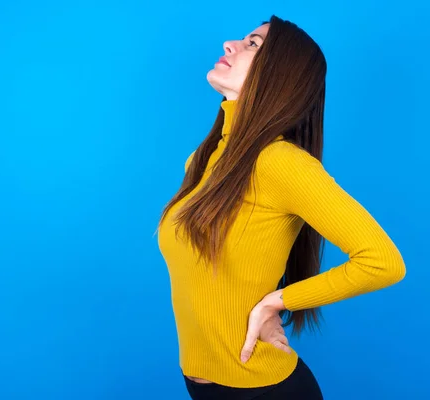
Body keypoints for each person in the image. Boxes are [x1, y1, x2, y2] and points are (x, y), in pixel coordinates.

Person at [155, 14, 406, 400]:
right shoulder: (203, 160)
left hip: (264, 391)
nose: (230, 45)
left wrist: (276, 302)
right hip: (200, 385)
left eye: (252, 44)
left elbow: (383, 262)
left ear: (279, 76)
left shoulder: (279, 162)